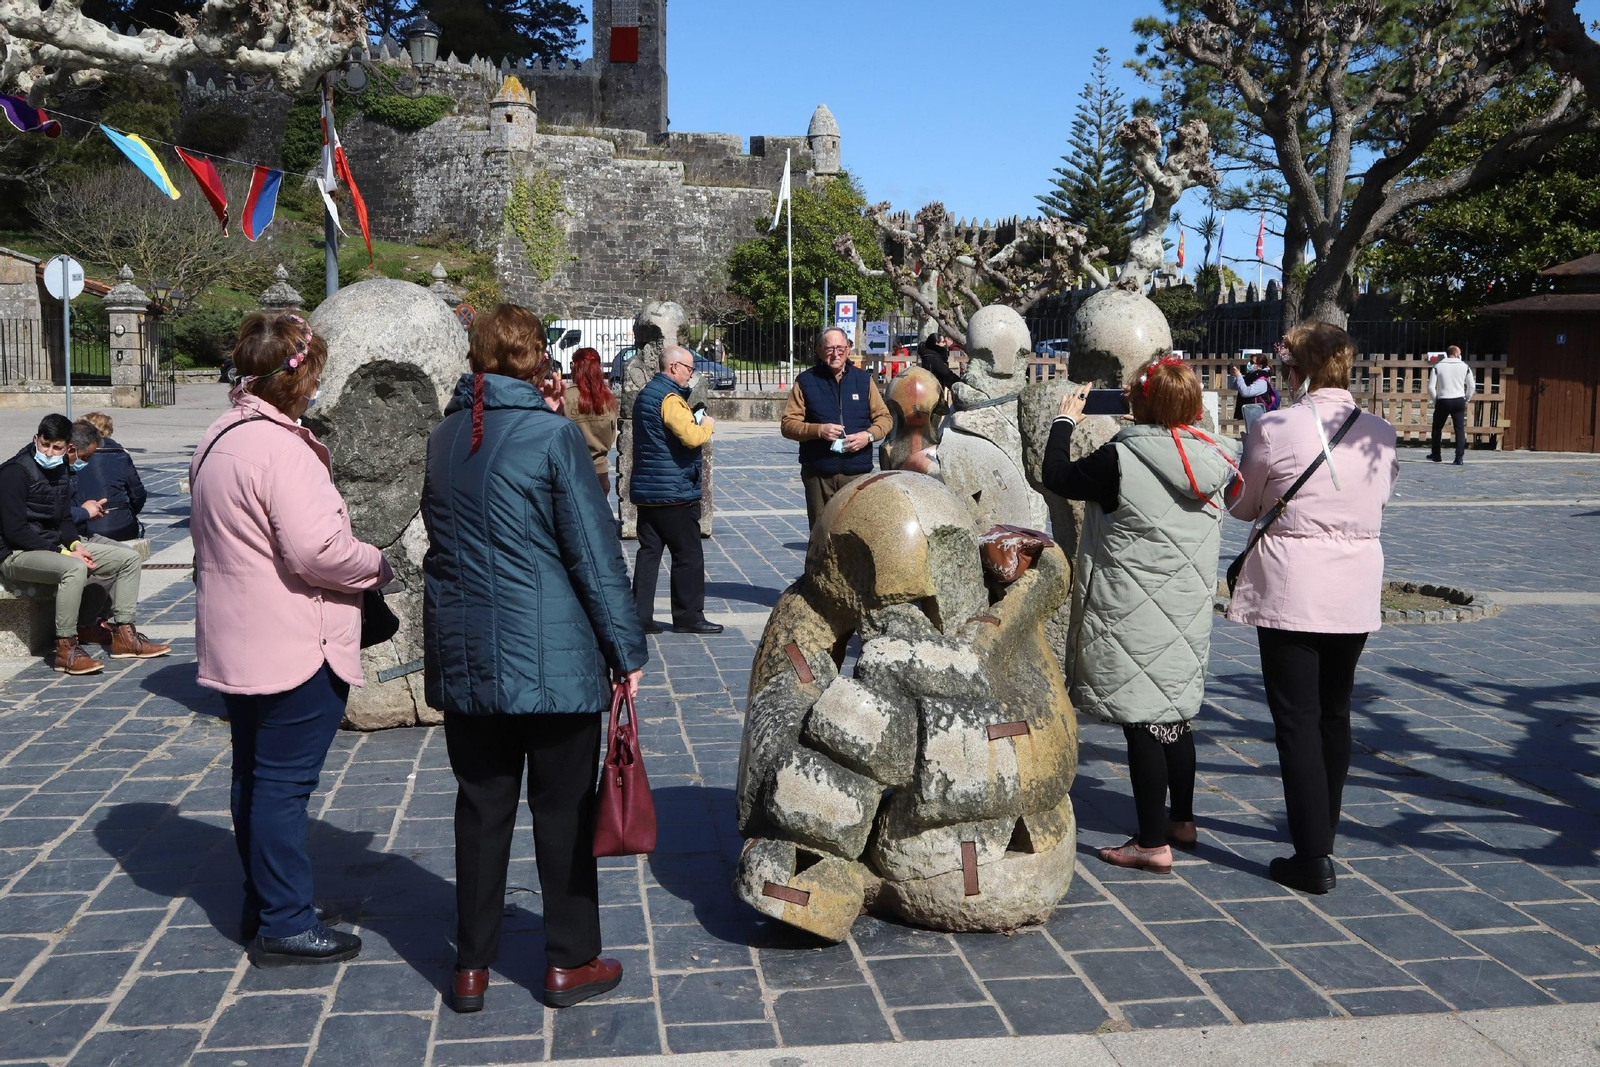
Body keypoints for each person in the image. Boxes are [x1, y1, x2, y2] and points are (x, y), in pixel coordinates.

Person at [422, 303, 648, 1014]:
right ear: (533, 360)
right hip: (553, 658)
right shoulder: (552, 436)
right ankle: (568, 960)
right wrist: (626, 648)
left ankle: (470, 966)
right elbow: (593, 551)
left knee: (480, 810)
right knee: (562, 813)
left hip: (472, 658)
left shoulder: (444, 436)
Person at [190, 311, 392, 966]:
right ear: (298, 379)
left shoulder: (220, 435)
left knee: (253, 775)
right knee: (281, 786)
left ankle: (263, 898)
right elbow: (318, 549)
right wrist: (375, 564)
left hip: (238, 637)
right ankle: (284, 919)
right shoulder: (282, 449)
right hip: (292, 643)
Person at [1044, 357, 1240, 874]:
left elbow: (1056, 475)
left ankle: (1152, 841)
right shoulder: (1212, 457)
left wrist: (1065, 421)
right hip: (1185, 605)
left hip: (1131, 607)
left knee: (1142, 721)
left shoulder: (1119, 459)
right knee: (1175, 712)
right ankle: (1182, 820)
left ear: (1142, 403)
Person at [1228, 322, 1398, 895]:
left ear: (1294, 370)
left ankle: (1312, 853)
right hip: (1353, 581)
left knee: (1296, 719)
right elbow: (1380, 497)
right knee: (1334, 712)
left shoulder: (1274, 425)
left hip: (1292, 584)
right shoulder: (1381, 431)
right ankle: (1322, 833)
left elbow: (1245, 505)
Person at [0, 414, 169, 675]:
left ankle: (124, 635)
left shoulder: (60, 469)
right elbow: (15, 530)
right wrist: (64, 552)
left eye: (56, 447)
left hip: (51, 545)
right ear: (36, 439)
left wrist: (76, 544)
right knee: (74, 569)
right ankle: (66, 647)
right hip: (16, 552)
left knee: (127, 559)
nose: (48, 452)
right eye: (45, 445)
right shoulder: (15, 472)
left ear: (68, 447)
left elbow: (64, 519)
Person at [630, 344, 722, 635]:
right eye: (689, 369)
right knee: (688, 555)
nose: (690, 374)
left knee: (649, 553)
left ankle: (639, 616)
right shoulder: (669, 398)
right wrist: (706, 425)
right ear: (673, 368)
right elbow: (690, 437)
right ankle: (688, 616)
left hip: (649, 490)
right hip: (673, 491)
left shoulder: (646, 394)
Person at [780, 327, 892, 528]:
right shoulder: (806, 381)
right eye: (829, 348)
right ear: (819, 350)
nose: (835, 353)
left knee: (856, 533)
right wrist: (818, 431)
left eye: (840, 347)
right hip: (819, 474)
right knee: (822, 534)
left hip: (857, 472)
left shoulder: (863, 380)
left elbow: (884, 418)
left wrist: (868, 436)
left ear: (848, 349)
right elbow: (788, 425)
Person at [73, 412, 147, 542]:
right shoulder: (121, 455)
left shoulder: (75, 457)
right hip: (121, 524)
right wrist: (125, 512)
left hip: (83, 523)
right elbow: (138, 494)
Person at [564, 347, 620, 496]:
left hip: (573, 470)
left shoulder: (566, 397)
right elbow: (611, 436)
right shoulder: (608, 398)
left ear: (575, 367)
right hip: (600, 471)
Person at [1428, 345, 1476, 465]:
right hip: (1459, 399)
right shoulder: (1465, 367)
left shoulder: (1438, 366)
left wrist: (1436, 400)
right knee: (1459, 429)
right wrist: (1467, 398)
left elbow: (1430, 387)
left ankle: (1436, 454)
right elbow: (1472, 386)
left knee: (1437, 428)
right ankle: (1459, 457)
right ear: (1456, 354)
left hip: (1443, 400)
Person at [1229, 351, 1279, 432]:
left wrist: (1239, 376)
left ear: (1259, 366)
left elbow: (1246, 392)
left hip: (1259, 415)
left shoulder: (1261, 381)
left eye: (1252, 362)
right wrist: (1233, 375)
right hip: (1250, 413)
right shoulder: (1250, 377)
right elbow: (1233, 386)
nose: (1249, 364)